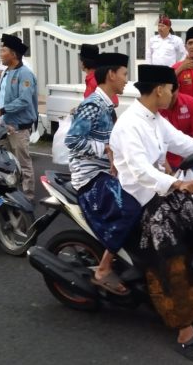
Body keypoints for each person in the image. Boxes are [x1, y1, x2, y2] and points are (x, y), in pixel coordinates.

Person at [110, 64, 193, 364]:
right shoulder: (130, 124)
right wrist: (177, 183)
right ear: (160, 89)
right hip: (141, 200)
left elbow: (183, 142)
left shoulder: (155, 119)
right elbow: (140, 170)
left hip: (163, 193)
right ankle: (185, 333)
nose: (175, 95)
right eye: (173, 89)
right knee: (170, 258)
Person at [65, 52, 131, 295]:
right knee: (129, 209)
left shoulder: (107, 104)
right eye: (124, 74)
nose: (126, 79)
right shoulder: (93, 104)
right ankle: (103, 268)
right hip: (90, 176)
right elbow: (72, 141)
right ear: (111, 75)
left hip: (106, 170)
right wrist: (106, 148)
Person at [0, 34, 38, 201]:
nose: (0, 54)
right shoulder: (6, 72)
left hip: (18, 127)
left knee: (23, 163)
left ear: (14, 54)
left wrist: (1, 111)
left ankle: (27, 197)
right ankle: (13, 194)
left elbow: (24, 100)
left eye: (3, 51)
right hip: (4, 125)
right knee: (7, 162)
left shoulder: (25, 74)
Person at [159, 76, 193, 172]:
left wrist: (191, 157)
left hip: (188, 158)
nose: (169, 98)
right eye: (168, 94)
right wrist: (168, 171)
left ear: (178, 88)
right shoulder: (156, 108)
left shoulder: (191, 103)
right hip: (164, 160)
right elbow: (156, 144)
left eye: (173, 95)